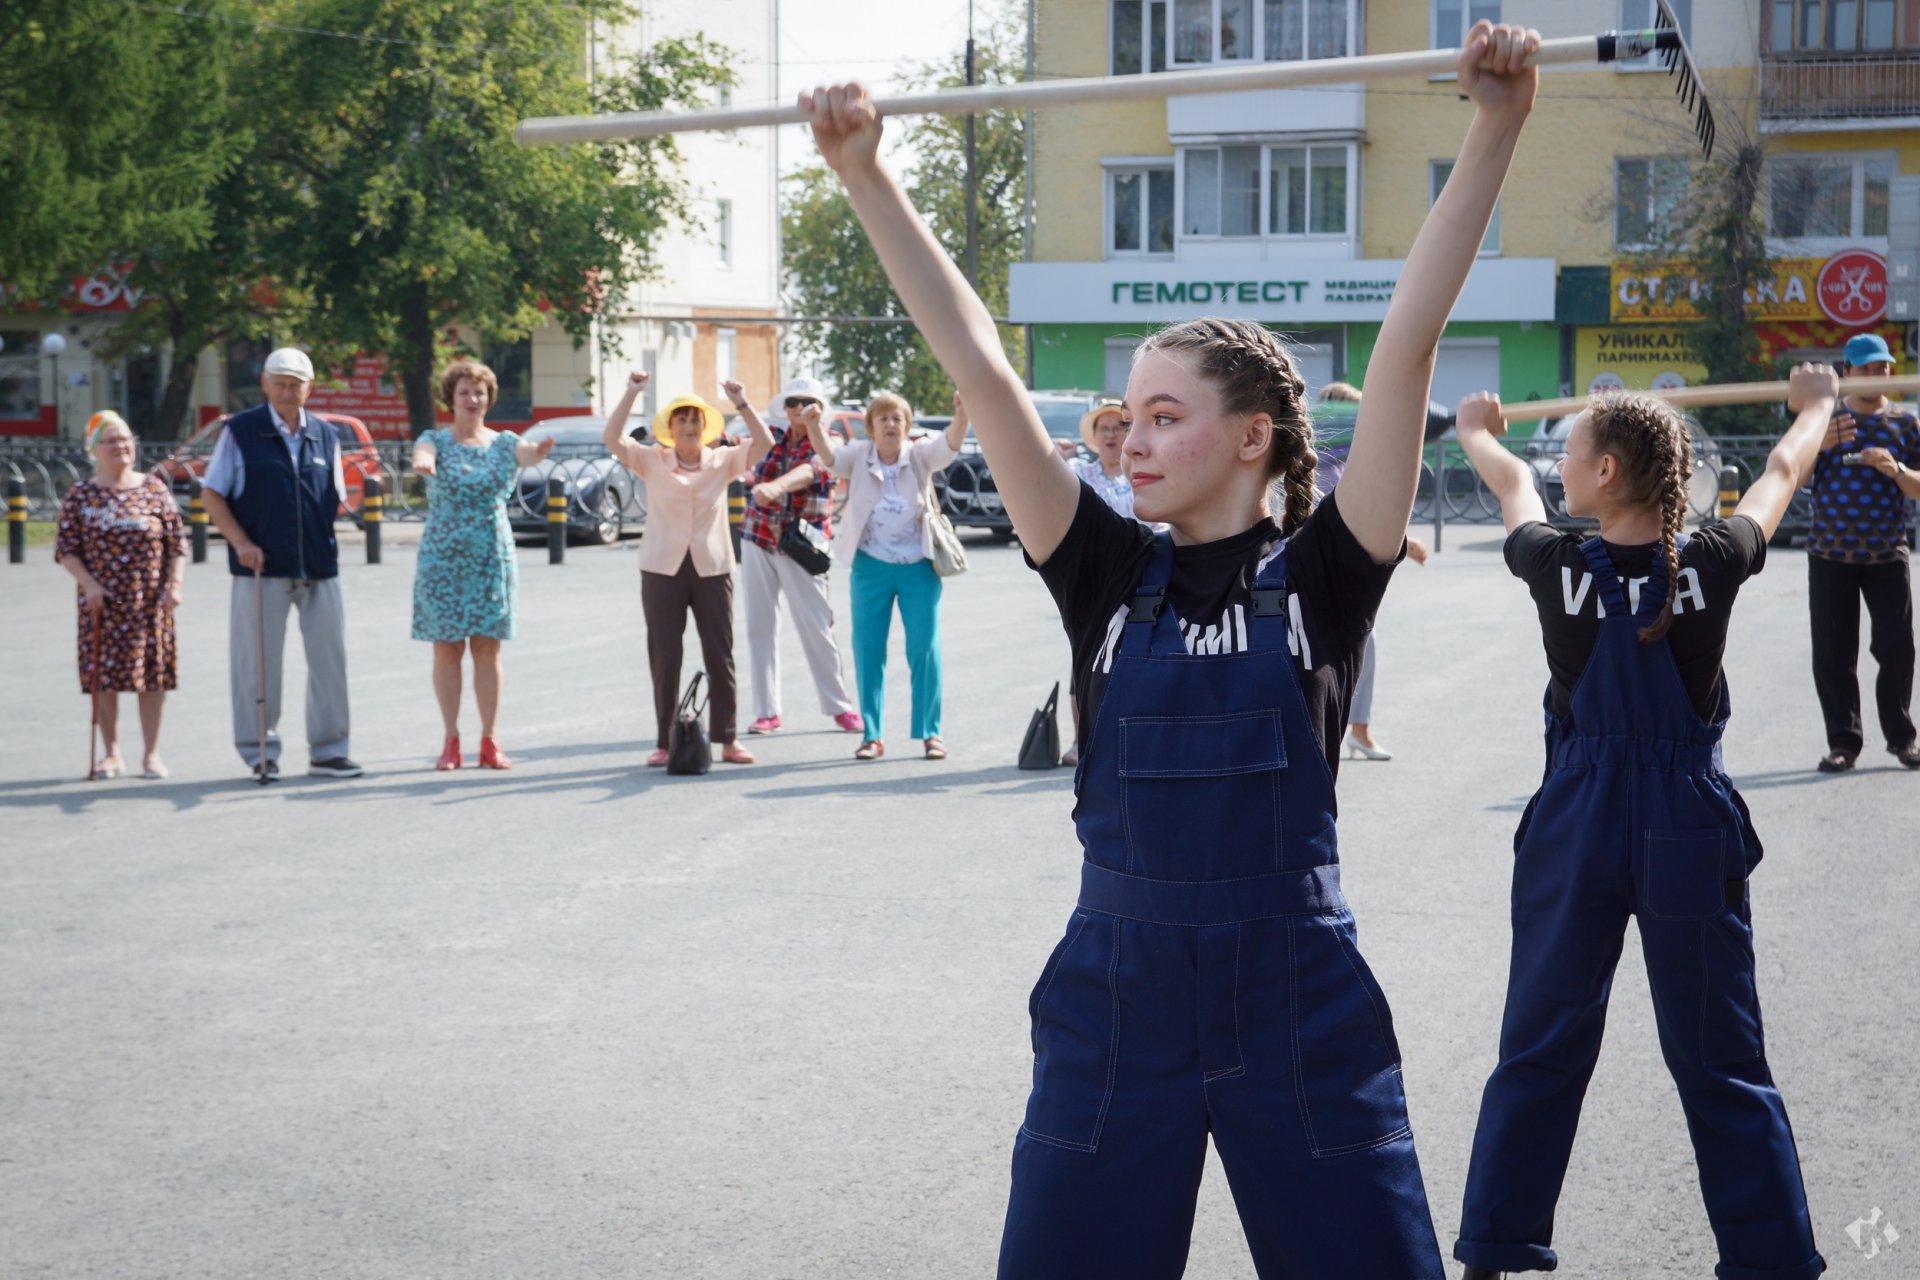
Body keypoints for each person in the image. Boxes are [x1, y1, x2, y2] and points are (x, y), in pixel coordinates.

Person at [801, 21, 1535, 1276]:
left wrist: (1495, 125)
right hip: (1116, 997)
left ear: (1252, 437)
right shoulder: (1101, 572)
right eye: (1126, 416)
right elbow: (977, 366)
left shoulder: (1325, 571)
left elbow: (1406, 343)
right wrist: (868, 173)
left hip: (1296, 996)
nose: (1129, 441)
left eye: (1163, 416)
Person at [1448, 367, 1841, 1280]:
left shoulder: (1551, 563)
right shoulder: (1712, 560)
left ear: (1609, 472)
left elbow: (1509, 481)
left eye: (1572, 452)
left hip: (1577, 825)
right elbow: (1781, 473)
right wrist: (1815, 405)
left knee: (1538, 1049)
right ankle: (1772, 1259)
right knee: (1722, 1060)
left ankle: (1493, 1250)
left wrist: (1476, 425)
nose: (1558, 466)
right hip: (1685, 827)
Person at [200, 346, 361, 779]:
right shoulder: (241, 431)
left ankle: (328, 751)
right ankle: (260, 753)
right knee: (257, 665)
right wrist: (240, 542)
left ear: (310, 388)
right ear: (265, 384)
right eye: (281, 383)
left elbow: (336, 497)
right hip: (260, 567)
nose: (288, 392)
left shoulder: (326, 434)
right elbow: (212, 493)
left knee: (330, 661)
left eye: (296, 384)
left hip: (318, 563)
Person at [603, 372, 773, 767]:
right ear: (670, 427)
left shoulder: (723, 460)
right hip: (662, 568)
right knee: (665, 654)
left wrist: (741, 402)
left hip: (712, 568)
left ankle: (728, 739)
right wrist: (631, 392)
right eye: (682, 420)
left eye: (696, 420)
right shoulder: (651, 459)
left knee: (720, 652)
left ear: (706, 426)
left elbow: (764, 444)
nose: (690, 427)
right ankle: (665, 741)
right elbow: (612, 439)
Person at [803, 390, 969, 761]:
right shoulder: (859, 456)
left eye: (898, 419)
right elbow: (829, 457)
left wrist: (962, 414)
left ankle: (931, 733)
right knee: (868, 650)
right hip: (870, 566)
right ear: (871, 427)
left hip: (919, 566)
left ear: (907, 426)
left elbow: (949, 446)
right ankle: (872, 735)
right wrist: (814, 426)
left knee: (924, 650)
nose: (891, 425)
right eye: (884, 419)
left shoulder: (919, 454)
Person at [410, 358, 556, 771]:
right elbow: (421, 451)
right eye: (464, 392)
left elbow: (527, 455)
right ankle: (451, 740)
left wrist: (540, 450)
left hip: (491, 556)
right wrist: (423, 461)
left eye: (479, 392)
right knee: (447, 650)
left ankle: (490, 740)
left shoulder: (504, 443)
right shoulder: (434, 440)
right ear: (451, 399)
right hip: (442, 559)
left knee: (487, 650)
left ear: (488, 398)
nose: (472, 399)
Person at [1804, 332, 1920, 772]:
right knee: (1833, 653)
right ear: (1846, 373)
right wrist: (1820, 443)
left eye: (1884, 368)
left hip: (1887, 555)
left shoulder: (1906, 424)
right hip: (1829, 555)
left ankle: (1902, 738)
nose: (1877, 375)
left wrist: (1897, 469)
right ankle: (1843, 743)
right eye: (1867, 368)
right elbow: (1792, 477)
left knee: (1897, 650)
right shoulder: (1824, 421)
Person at [55, 411, 187, 779]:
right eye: (111, 440)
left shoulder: (153, 488)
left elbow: (177, 544)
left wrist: (174, 586)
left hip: (150, 602)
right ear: (94, 449)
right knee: (104, 679)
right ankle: (112, 753)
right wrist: (90, 585)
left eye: (126, 439)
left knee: (153, 678)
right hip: (102, 603)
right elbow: (66, 549)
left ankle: (151, 754)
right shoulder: (82, 494)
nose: (121, 447)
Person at [1312, 380, 1431, 761]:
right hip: (1320, 570)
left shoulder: (1342, 459)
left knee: (1362, 643)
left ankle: (1356, 730)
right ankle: (1338, 730)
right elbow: (1355, 514)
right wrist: (1404, 545)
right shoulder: (1322, 463)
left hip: (1342, 570)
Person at [739, 374, 863, 737]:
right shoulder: (772, 440)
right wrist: (741, 404)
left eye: (807, 402)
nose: (799, 409)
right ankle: (766, 711)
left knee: (817, 625)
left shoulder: (830, 439)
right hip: (759, 536)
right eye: (793, 403)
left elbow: (814, 468)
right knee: (759, 627)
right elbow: (737, 443)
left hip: (803, 545)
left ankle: (839, 706)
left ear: (820, 407)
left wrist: (775, 486)